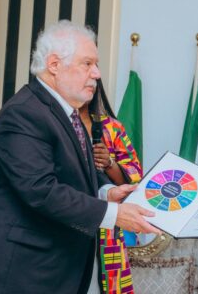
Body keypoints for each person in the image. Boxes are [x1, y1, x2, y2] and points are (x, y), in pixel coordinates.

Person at [0, 20, 160, 294]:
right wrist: (113, 214)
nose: (97, 74)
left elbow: (69, 175)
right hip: (15, 276)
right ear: (54, 65)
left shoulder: (64, 113)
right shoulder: (25, 113)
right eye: (87, 63)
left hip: (47, 272)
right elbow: (41, 191)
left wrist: (105, 193)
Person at [79, 82, 142, 293]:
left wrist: (109, 164)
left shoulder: (112, 128)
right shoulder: (56, 124)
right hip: (71, 221)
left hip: (107, 232)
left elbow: (134, 180)